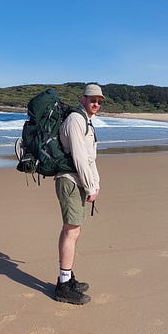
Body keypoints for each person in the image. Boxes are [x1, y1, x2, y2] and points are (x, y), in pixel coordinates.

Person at [53, 83, 103, 304]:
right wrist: (91, 186)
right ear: (83, 99)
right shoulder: (75, 120)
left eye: (99, 101)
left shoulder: (86, 122)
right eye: (92, 99)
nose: (96, 104)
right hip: (70, 180)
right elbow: (79, 158)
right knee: (71, 230)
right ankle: (63, 285)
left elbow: (90, 158)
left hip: (79, 180)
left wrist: (95, 183)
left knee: (73, 230)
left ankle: (67, 277)